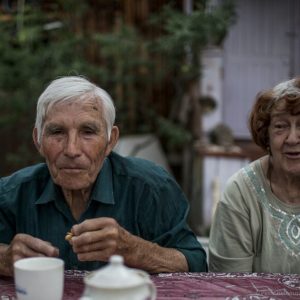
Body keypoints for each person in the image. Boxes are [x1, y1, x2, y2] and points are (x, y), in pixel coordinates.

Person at [0, 75, 207, 277]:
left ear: (110, 141)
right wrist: (5, 260)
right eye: (57, 132)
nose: (72, 150)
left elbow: (196, 263)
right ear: (38, 140)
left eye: (88, 131)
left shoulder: (150, 188)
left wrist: (134, 250)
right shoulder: (11, 194)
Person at [209, 77, 300, 273]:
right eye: (280, 126)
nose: (292, 138)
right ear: (266, 135)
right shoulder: (241, 193)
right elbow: (230, 286)